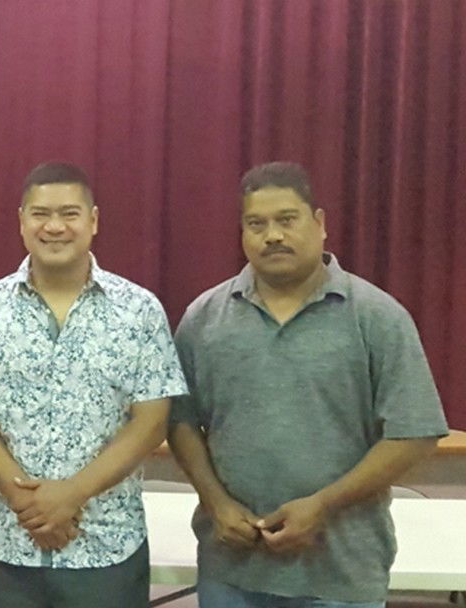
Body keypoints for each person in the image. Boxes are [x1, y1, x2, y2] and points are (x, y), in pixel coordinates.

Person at [168, 161, 449, 607]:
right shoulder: (205, 318)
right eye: (256, 224)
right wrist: (216, 502)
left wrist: (323, 505)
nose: (272, 235)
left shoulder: (376, 317)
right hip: (232, 569)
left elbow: (414, 433)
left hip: (339, 574)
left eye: (287, 219)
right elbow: (179, 420)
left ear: (320, 224)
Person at [0, 163, 188, 608]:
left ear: (93, 221)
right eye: (41, 214)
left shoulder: (139, 310)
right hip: (5, 541)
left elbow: (151, 422)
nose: (54, 226)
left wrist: (71, 495)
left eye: (70, 213)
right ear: (21, 221)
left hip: (106, 543)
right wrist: (25, 502)